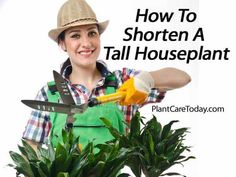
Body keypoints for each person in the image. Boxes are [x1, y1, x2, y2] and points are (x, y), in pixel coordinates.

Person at [22, 0, 191, 151]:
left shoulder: (122, 82)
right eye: (75, 36)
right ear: (62, 43)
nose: (86, 43)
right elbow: (31, 147)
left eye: (92, 33)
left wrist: (147, 79)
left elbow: (182, 78)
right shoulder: (49, 94)